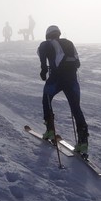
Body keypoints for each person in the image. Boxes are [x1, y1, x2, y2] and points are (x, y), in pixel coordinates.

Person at [37, 25, 89, 157]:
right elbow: (78, 63)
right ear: (58, 33)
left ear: (48, 34)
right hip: (72, 79)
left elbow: (42, 55)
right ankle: (83, 142)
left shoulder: (46, 44)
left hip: (56, 78)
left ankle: (50, 130)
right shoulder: (69, 43)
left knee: (46, 98)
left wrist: (43, 70)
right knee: (76, 108)